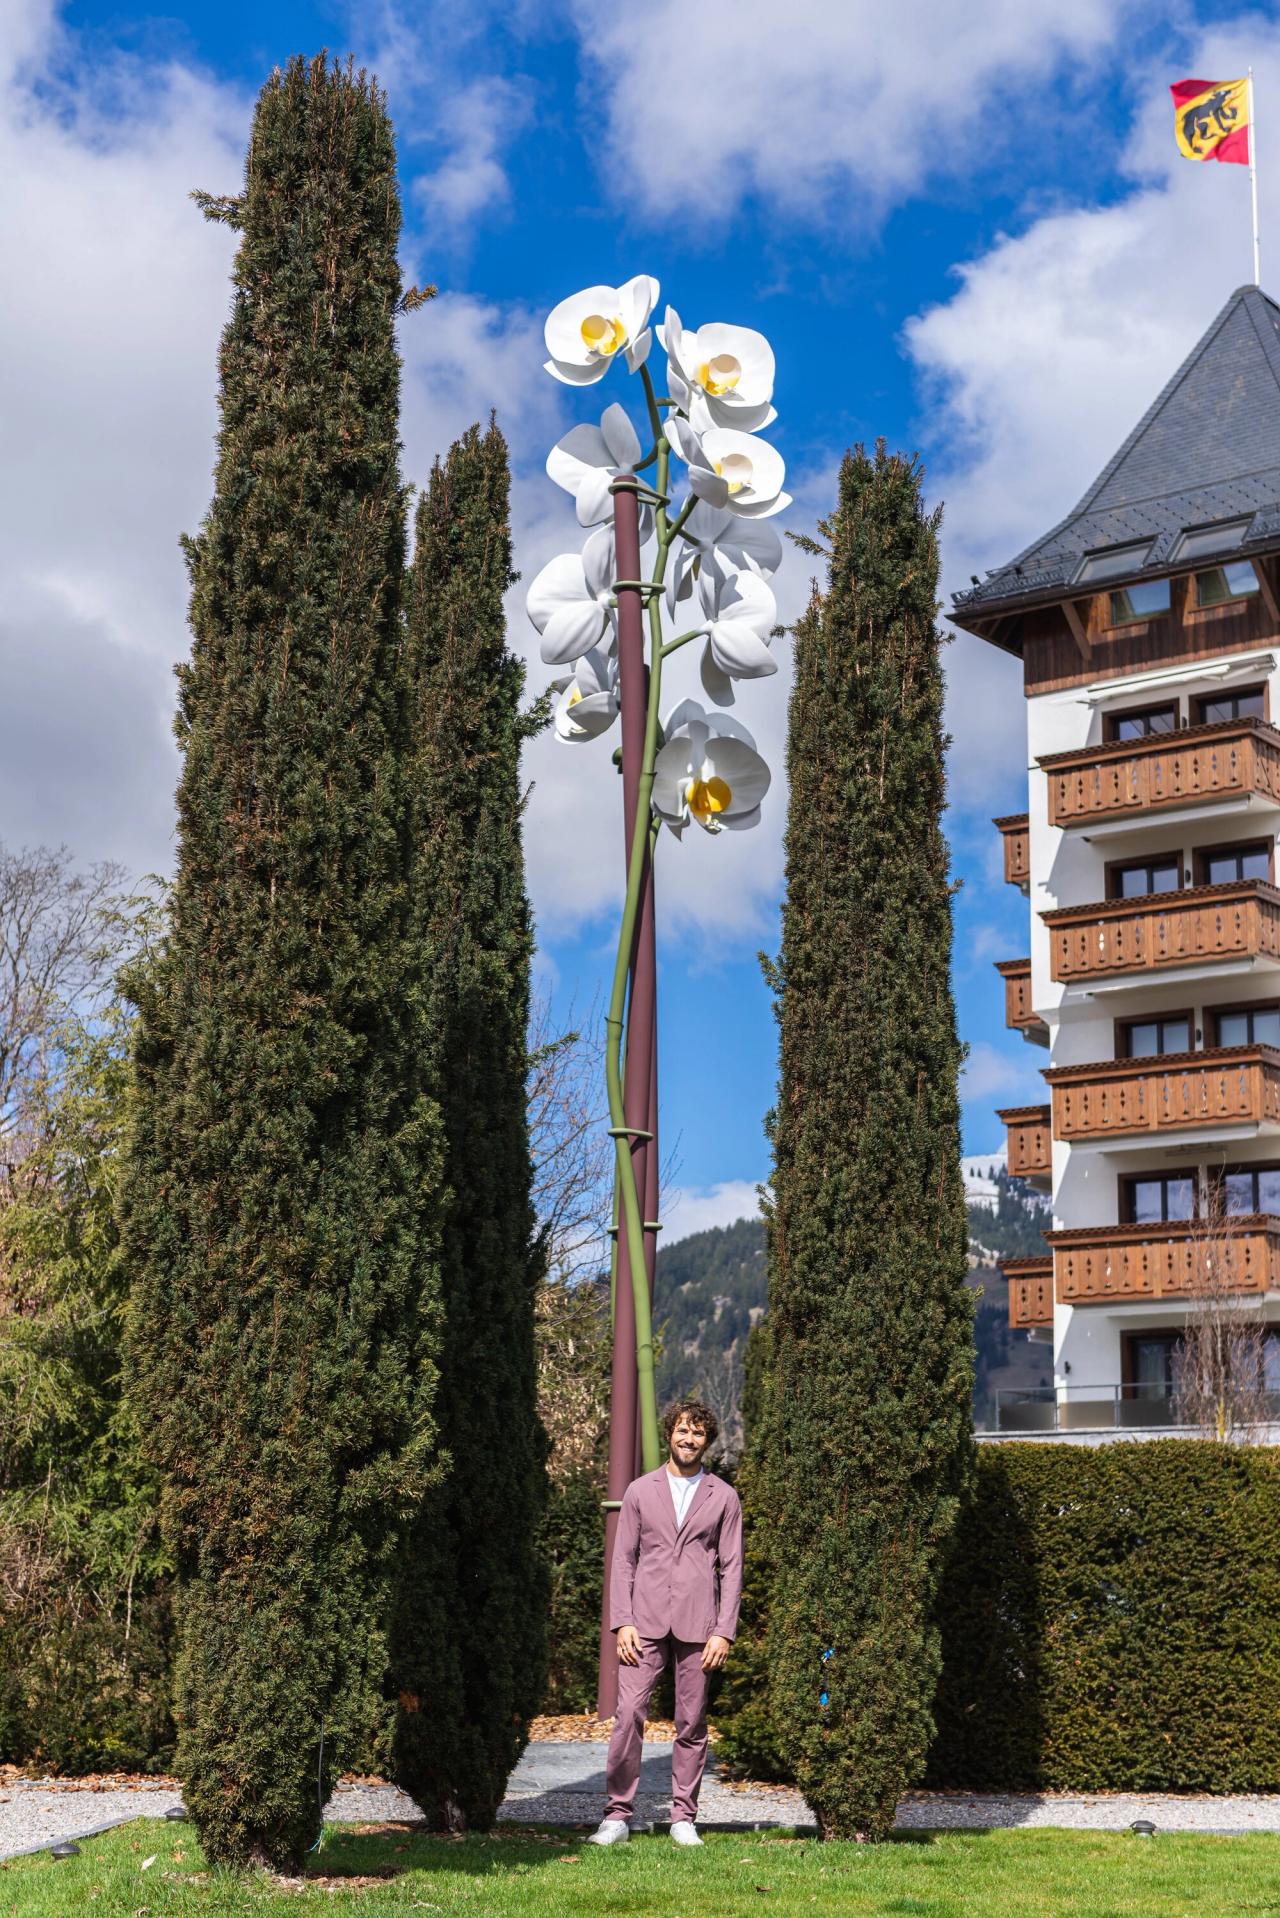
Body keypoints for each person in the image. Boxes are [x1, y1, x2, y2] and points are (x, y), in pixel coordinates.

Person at [587, 1399, 743, 1849]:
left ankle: (683, 1818)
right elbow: (623, 1561)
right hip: (644, 1623)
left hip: (701, 1627)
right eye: (681, 1430)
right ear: (669, 1434)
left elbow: (732, 1568)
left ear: (706, 1441)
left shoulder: (724, 1497)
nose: (688, 1439)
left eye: (697, 1433)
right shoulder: (640, 1491)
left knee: (691, 1722)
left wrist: (723, 1630)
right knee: (628, 1716)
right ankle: (617, 1815)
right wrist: (623, 1622)